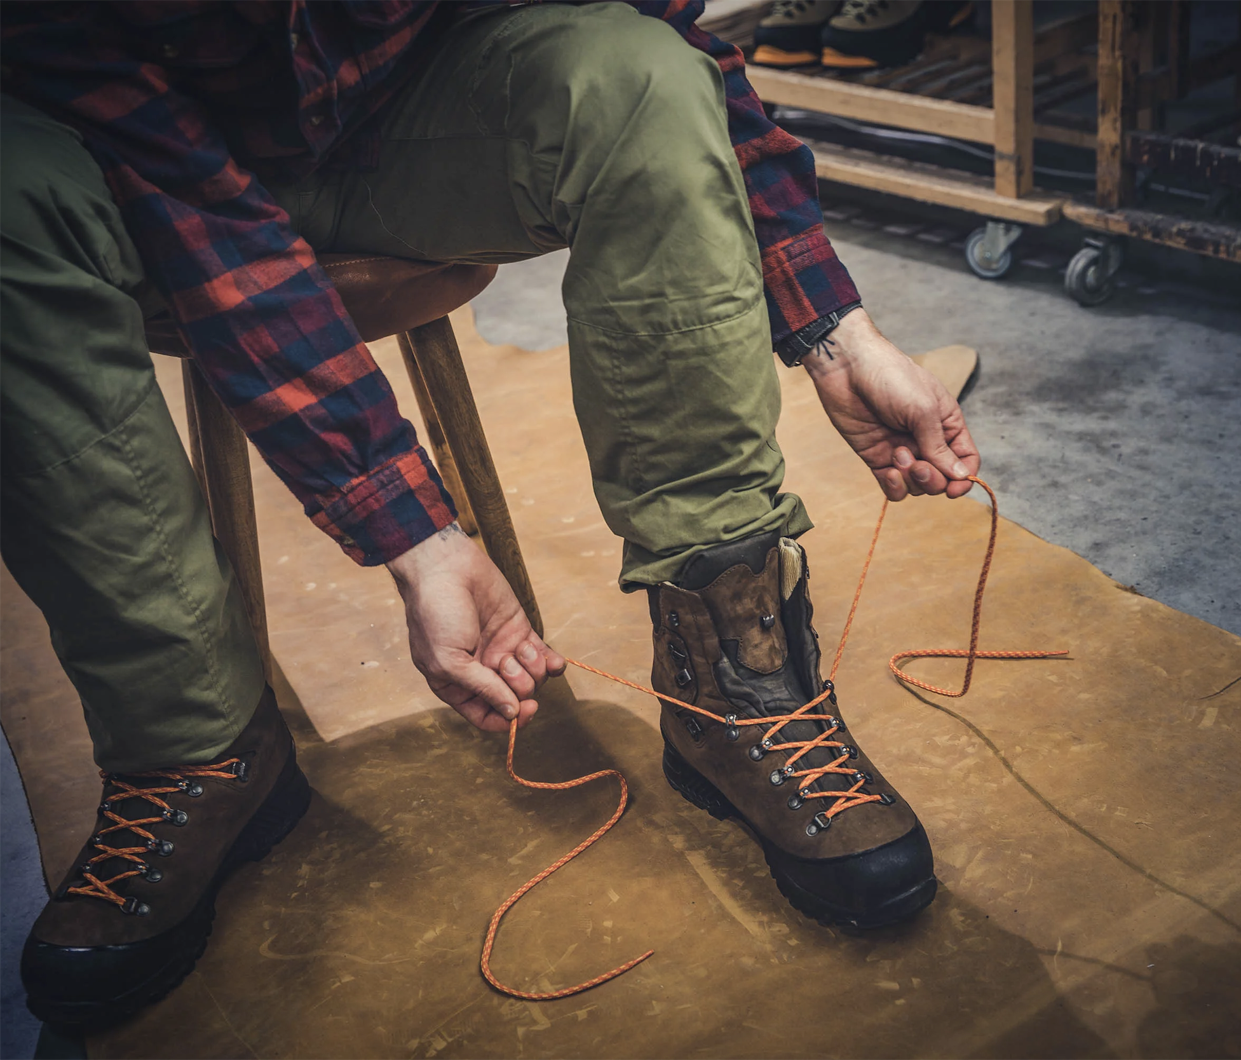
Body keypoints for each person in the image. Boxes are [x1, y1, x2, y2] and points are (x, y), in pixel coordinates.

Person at [0, 0, 980, 1030]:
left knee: (636, 74)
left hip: (398, 121)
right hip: (128, 169)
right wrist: (415, 532)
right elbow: (204, 220)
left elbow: (674, 39)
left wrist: (834, 329)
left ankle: (730, 675)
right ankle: (192, 746)